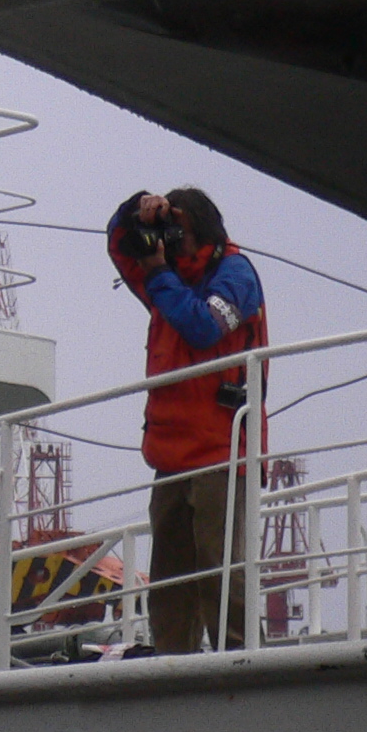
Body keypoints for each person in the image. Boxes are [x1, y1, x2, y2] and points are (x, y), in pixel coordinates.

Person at [106, 186, 267, 655]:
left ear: (202, 229)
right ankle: (172, 664)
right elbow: (119, 243)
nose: (170, 243)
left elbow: (201, 326)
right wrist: (136, 207)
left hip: (222, 450)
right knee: (170, 578)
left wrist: (158, 272)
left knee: (221, 570)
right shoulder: (168, 280)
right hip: (172, 455)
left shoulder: (234, 274)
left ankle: (239, 661)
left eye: (177, 231)